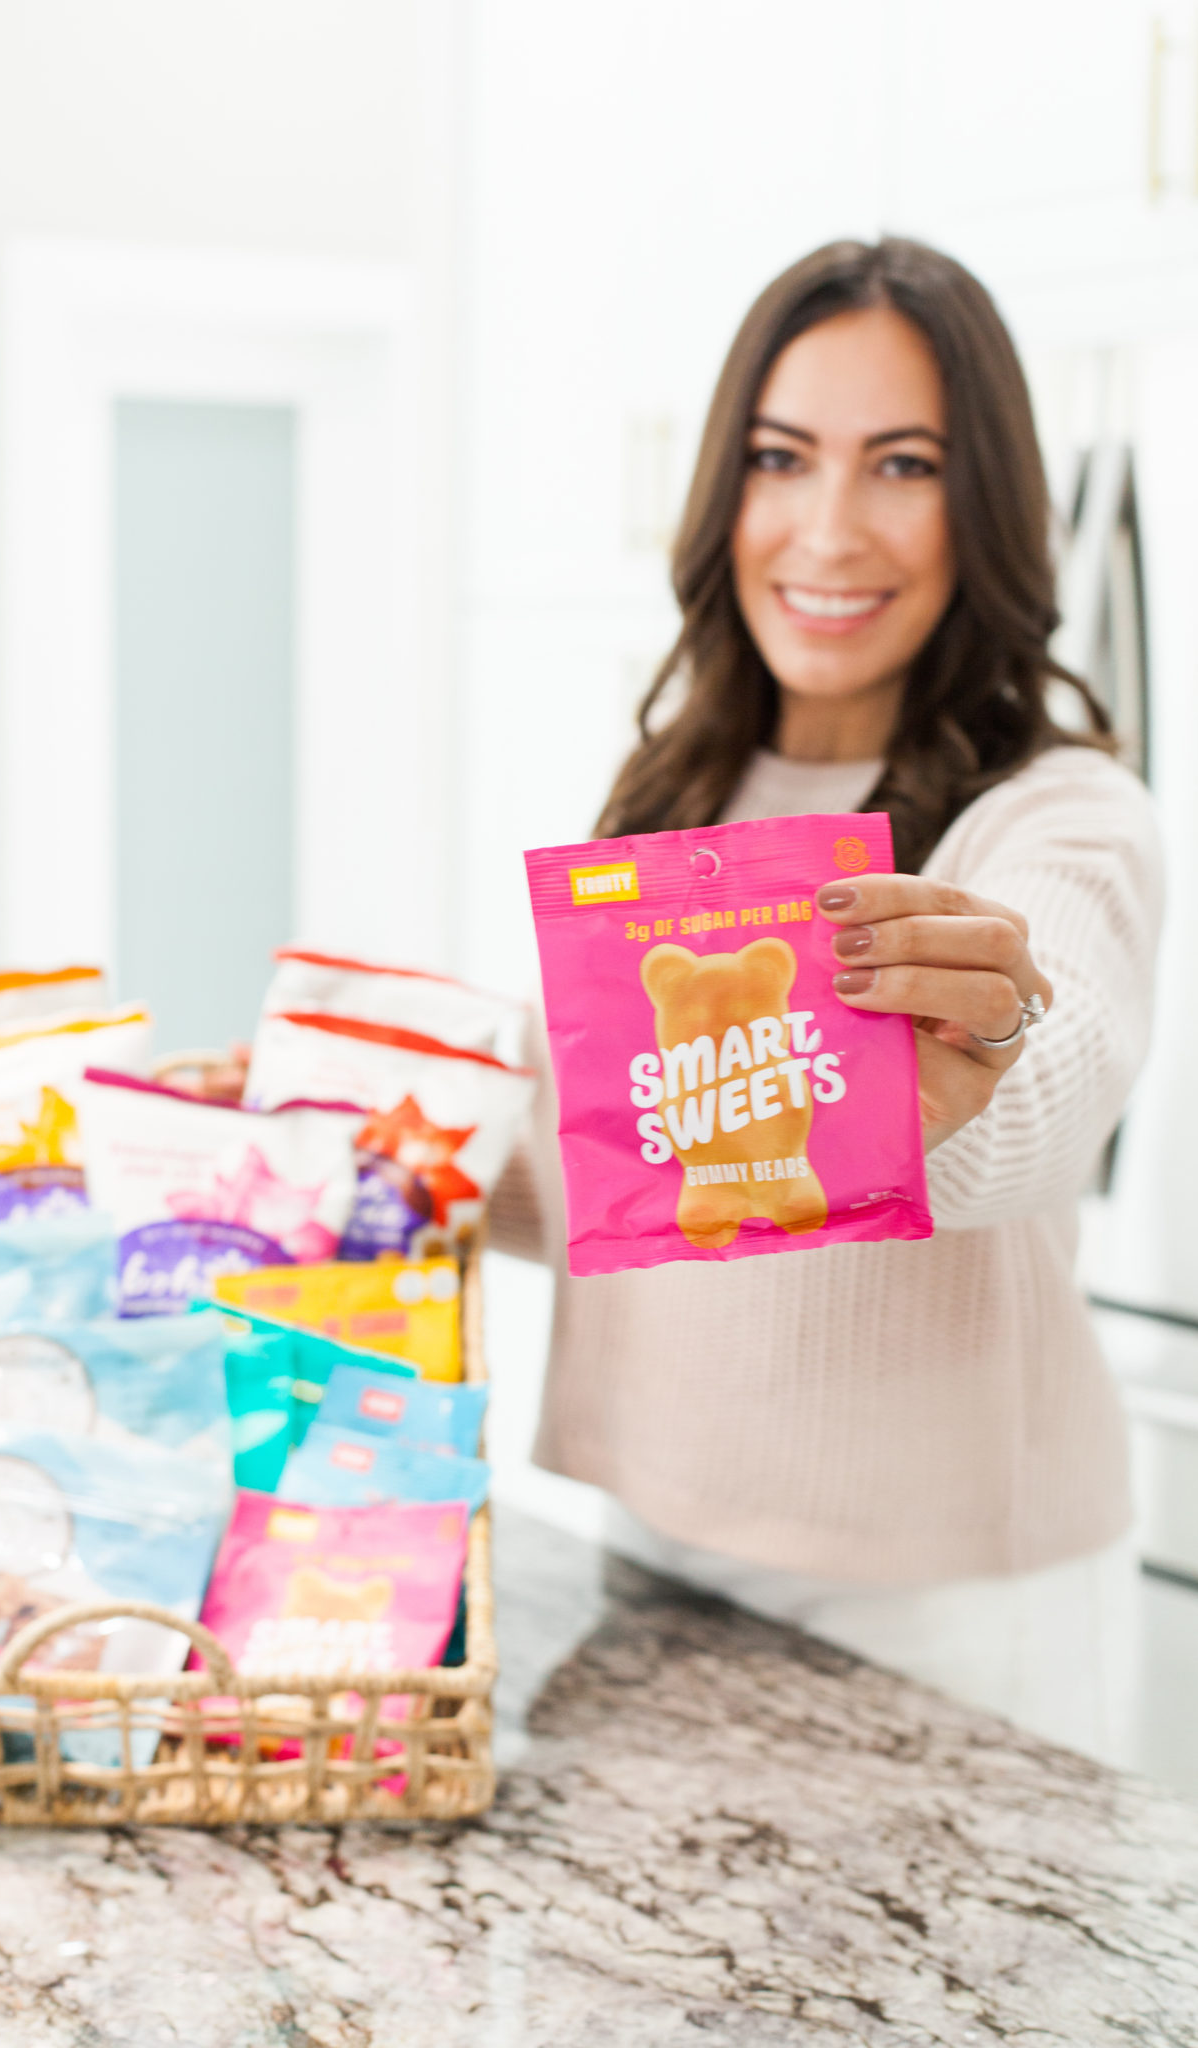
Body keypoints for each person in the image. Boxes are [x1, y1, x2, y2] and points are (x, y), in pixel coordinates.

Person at [490, 237, 1163, 1763]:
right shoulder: (673, 792)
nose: (830, 528)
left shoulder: (1058, 813)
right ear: (720, 487)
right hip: (654, 1541)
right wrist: (366, 1139)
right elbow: (627, 1165)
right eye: (781, 458)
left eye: (903, 464)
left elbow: (1044, 1099)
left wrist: (969, 1066)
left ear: (981, 503)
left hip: (945, 1605)